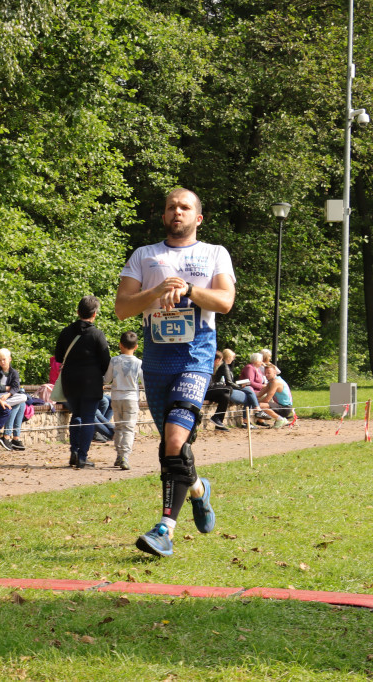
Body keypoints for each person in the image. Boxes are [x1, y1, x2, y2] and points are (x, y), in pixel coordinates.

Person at [115, 187, 235, 557]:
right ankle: (198, 489)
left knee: (173, 437)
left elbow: (225, 302)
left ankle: (164, 529)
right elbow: (122, 308)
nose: (177, 212)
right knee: (174, 446)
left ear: (198, 217)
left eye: (185, 208)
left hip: (196, 357)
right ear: (164, 216)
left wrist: (188, 290)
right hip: (156, 362)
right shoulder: (144, 256)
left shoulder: (214, 253)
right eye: (171, 207)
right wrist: (156, 292)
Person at [54, 295, 110, 469]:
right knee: (87, 419)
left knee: (76, 416)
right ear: (95, 314)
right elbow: (106, 361)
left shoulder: (66, 332)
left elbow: (58, 357)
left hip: (70, 381)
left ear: (78, 312)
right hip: (91, 383)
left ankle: (74, 453)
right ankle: (83, 457)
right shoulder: (97, 334)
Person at [104, 330, 143, 470]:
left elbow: (107, 379)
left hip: (116, 397)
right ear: (136, 346)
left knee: (119, 427)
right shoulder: (139, 363)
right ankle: (124, 455)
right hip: (131, 398)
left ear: (120, 345)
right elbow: (144, 382)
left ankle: (119, 455)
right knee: (128, 428)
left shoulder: (114, 360)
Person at [0, 347, 28, 451]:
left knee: (23, 398)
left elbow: (15, 387)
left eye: (4, 359)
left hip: (8, 397)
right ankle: (9, 437)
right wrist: (1, 389)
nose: (2, 362)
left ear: (9, 359)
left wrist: (8, 394)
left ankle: (12, 437)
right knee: (19, 403)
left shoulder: (14, 372)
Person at [210, 348, 260, 427]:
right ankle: (256, 412)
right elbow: (229, 382)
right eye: (233, 357)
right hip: (227, 390)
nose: (233, 360)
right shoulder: (224, 366)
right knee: (248, 392)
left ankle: (250, 417)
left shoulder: (224, 366)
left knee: (248, 392)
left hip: (226, 389)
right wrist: (240, 387)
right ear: (229, 357)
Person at [256, 364, 294, 428]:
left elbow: (267, 399)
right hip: (280, 405)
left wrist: (255, 404)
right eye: (265, 373)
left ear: (275, 372)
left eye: (269, 373)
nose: (266, 375)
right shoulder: (271, 382)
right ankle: (279, 420)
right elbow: (259, 394)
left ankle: (280, 419)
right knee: (258, 404)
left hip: (285, 408)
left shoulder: (275, 382)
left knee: (260, 405)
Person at [240, 352, 271, 425]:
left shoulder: (258, 369)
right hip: (249, 389)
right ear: (256, 360)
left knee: (269, 397)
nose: (261, 362)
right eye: (260, 360)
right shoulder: (249, 367)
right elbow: (250, 382)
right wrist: (262, 386)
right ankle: (256, 414)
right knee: (251, 398)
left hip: (257, 390)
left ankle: (260, 419)